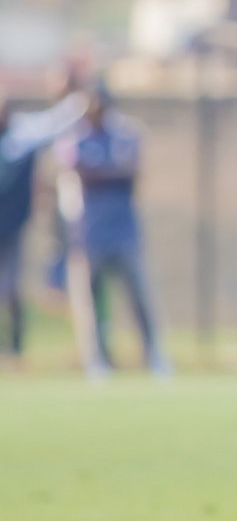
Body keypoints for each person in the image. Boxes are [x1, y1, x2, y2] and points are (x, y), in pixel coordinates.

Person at [57, 84, 168, 378]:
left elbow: (130, 169)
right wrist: (108, 171)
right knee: (90, 303)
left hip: (124, 231)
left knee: (139, 298)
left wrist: (103, 171)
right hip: (88, 233)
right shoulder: (76, 137)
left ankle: (154, 356)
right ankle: (97, 361)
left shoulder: (125, 133)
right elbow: (79, 168)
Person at [0, 78, 88, 369]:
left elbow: (57, 121)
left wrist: (78, 97)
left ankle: (15, 349)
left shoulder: (22, 134)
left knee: (11, 289)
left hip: (11, 226)